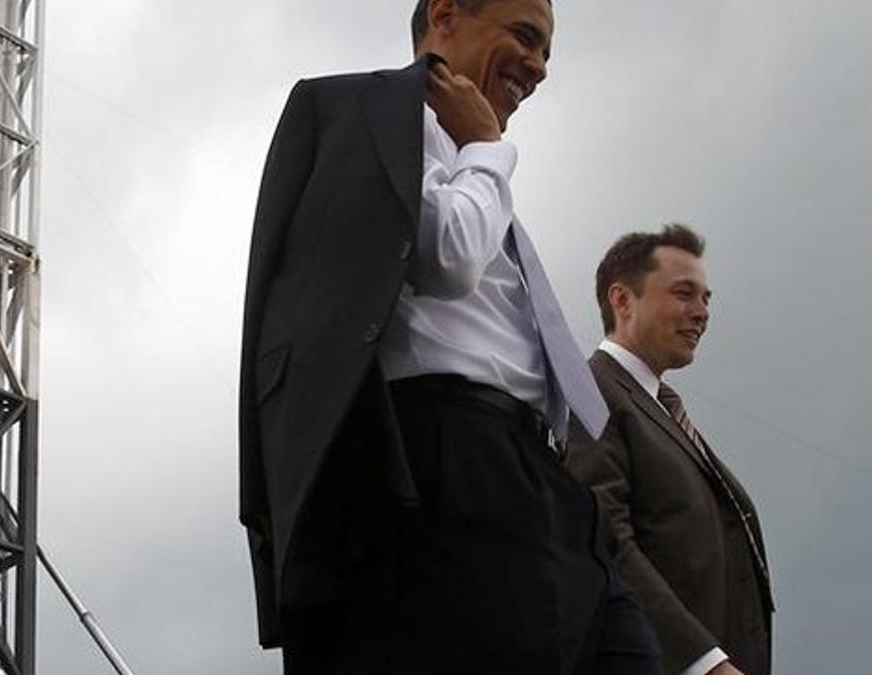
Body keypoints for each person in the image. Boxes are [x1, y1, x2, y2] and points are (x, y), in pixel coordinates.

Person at [239, 0, 660, 672]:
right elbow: (449, 253)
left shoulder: (473, 167)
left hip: (546, 480)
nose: (539, 68)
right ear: (444, 16)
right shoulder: (361, 112)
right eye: (525, 37)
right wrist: (489, 150)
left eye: (548, 51)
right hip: (450, 458)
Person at [564, 225, 774, 675]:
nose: (701, 313)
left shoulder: (661, 410)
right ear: (622, 300)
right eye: (684, 294)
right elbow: (603, 536)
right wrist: (705, 664)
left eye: (707, 299)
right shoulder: (594, 391)